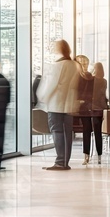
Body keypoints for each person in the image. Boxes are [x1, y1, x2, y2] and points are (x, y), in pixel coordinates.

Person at [36, 39, 79, 170]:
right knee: (67, 133)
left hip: (56, 104)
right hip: (69, 104)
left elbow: (52, 84)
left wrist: (42, 99)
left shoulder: (58, 65)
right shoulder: (74, 65)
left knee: (57, 131)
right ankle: (65, 161)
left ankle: (60, 161)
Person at [83, 62, 108, 164]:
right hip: (99, 109)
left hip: (89, 108)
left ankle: (86, 157)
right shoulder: (104, 81)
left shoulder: (90, 80)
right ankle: (99, 157)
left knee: (86, 132)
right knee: (98, 133)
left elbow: (86, 94)